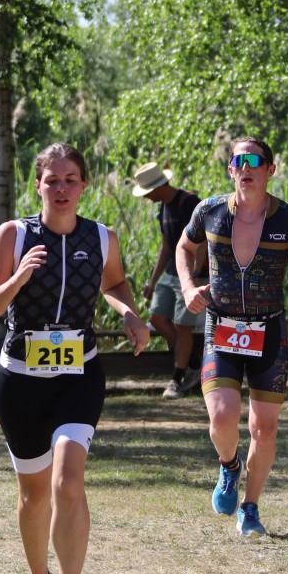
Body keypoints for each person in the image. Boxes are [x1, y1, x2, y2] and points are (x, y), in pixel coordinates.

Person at [0, 143, 150, 574]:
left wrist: (129, 313)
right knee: (34, 495)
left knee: (68, 480)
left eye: (70, 179)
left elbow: (114, 285)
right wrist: (18, 278)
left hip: (79, 375)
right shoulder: (13, 235)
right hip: (20, 380)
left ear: (84, 185)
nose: (61, 188)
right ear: (38, 185)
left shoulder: (101, 238)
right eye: (52, 180)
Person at [177, 136, 288, 538]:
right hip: (221, 325)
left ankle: (250, 507)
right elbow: (184, 246)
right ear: (231, 169)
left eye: (254, 161)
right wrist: (188, 287)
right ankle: (229, 466)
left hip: (269, 331)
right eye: (238, 161)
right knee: (222, 416)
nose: (246, 167)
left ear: (270, 170)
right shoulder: (209, 211)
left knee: (265, 428)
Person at [131, 161, 206, 400]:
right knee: (156, 317)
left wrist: (194, 274)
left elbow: (202, 241)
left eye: (147, 192)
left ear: (158, 187)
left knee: (183, 326)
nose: (146, 197)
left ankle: (176, 379)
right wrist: (152, 282)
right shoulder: (163, 208)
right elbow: (166, 247)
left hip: (191, 275)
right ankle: (195, 362)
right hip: (171, 273)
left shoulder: (189, 203)